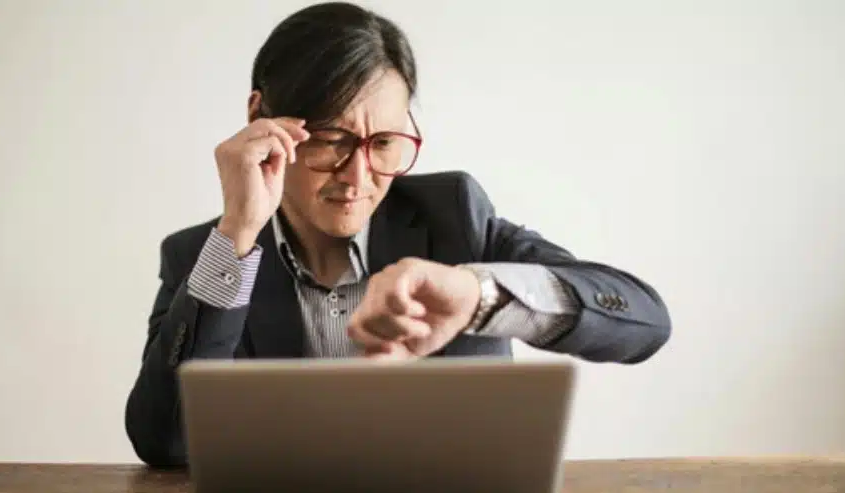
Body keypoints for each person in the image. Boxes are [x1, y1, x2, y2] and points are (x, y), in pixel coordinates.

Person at [125, 1, 672, 467]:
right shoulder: (205, 255)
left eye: (384, 143)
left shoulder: (453, 215)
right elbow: (164, 441)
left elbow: (643, 321)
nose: (359, 179)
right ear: (261, 120)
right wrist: (238, 236)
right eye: (332, 139)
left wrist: (478, 298)